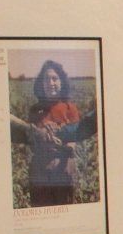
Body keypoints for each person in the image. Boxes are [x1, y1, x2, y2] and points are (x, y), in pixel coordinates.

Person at [17, 60, 96, 208]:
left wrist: (66, 144)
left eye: (55, 78)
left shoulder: (69, 108)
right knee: (41, 210)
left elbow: (75, 138)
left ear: (62, 82)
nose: (50, 82)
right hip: (40, 169)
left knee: (64, 208)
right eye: (46, 79)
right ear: (41, 83)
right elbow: (31, 137)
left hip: (64, 167)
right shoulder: (35, 109)